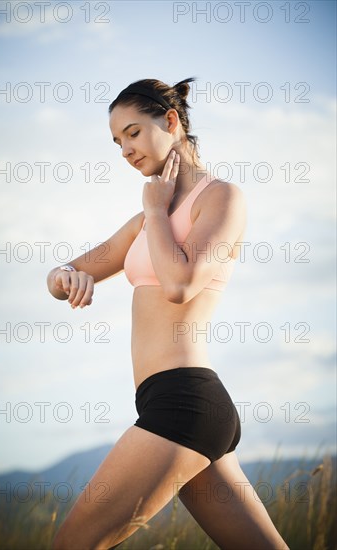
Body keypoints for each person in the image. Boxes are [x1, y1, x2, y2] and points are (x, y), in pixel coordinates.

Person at [48, 77, 289, 550]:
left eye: (133, 133)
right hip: (172, 403)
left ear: (172, 120)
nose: (124, 150)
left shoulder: (220, 197)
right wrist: (63, 278)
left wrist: (157, 213)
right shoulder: (145, 219)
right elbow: (68, 271)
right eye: (117, 141)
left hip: (184, 402)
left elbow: (180, 285)